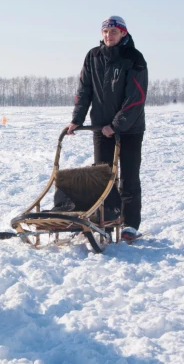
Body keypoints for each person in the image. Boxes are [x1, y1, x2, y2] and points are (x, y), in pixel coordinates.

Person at [65, 16, 148, 242]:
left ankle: (130, 225)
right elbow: (84, 90)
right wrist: (77, 119)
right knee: (103, 176)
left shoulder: (134, 58)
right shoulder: (94, 56)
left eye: (113, 31)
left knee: (129, 178)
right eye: (105, 32)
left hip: (130, 128)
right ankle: (106, 220)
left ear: (123, 33)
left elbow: (136, 97)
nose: (108, 36)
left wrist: (117, 124)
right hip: (101, 127)